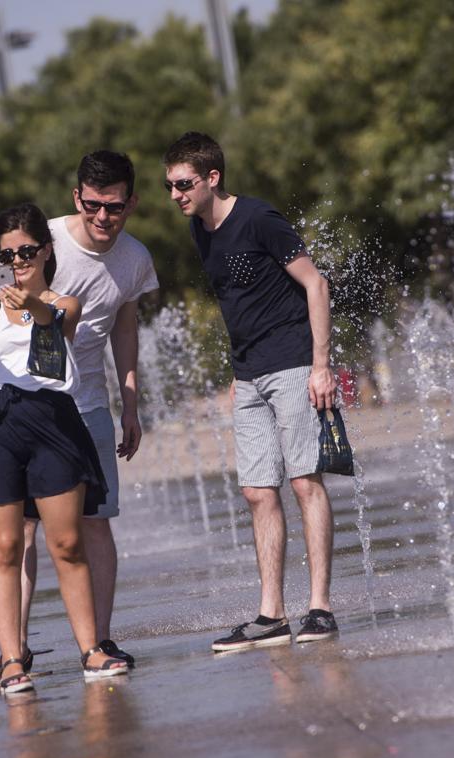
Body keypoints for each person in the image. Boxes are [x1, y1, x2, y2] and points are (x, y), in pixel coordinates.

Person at [163, 131, 341, 652]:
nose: (175, 194)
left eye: (183, 184)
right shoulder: (200, 230)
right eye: (169, 186)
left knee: (305, 483)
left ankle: (321, 608)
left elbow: (316, 284)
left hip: (293, 366)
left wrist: (321, 365)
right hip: (248, 377)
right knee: (257, 492)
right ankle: (271, 614)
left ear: (211, 178)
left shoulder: (258, 219)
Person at [0, 202, 130, 693]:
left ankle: (92, 650)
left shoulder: (64, 301)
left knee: (67, 542)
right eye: (6, 254)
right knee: (6, 545)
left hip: (53, 421)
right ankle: (12, 658)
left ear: (46, 250)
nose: (17, 260)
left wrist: (28, 301)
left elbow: (55, 320)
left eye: (26, 250)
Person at [16, 151, 159, 670]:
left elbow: (124, 325)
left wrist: (131, 402)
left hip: (91, 407)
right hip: (30, 408)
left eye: (115, 208)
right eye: (94, 205)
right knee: (26, 528)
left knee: (96, 524)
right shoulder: (44, 242)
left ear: (131, 204)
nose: (103, 218)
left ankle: (98, 639)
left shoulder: (135, 259)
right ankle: (16, 649)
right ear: (77, 197)